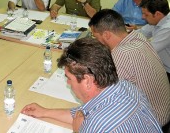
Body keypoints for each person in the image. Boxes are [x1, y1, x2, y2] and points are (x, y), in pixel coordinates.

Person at [21, 38, 162, 132]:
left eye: (69, 78)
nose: (68, 83)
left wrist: (79, 130)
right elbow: (82, 114)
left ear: (87, 81)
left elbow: (87, 122)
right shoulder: (125, 86)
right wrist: (45, 112)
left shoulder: (97, 125)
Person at [89, 9, 170, 128]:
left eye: (96, 37)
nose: (97, 41)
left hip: (152, 122)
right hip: (164, 109)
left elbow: (110, 98)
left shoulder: (121, 54)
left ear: (106, 34)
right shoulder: (138, 37)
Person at [138, 0, 170, 82]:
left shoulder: (167, 28)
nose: (143, 17)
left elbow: (148, 51)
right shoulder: (157, 20)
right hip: (162, 67)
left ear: (157, 14)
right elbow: (140, 33)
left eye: (146, 14)